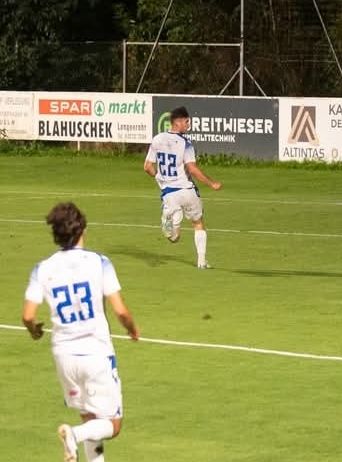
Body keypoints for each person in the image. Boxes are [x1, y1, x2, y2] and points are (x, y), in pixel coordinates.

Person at [21, 202, 140, 462]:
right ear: (82, 228)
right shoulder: (99, 263)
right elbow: (120, 311)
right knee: (112, 425)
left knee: (90, 420)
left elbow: (28, 316)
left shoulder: (43, 268)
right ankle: (73, 434)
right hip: (95, 354)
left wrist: (34, 330)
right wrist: (132, 329)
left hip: (64, 356)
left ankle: (78, 437)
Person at [143, 106, 222, 269]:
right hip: (187, 191)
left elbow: (147, 167)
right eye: (186, 121)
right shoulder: (186, 143)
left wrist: (159, 177)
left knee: (174, 238)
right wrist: (211, 183)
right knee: (198, 223)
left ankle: (168, 221)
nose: (189, 124)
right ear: (177, 122)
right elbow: (192, 169)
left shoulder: (157, 139)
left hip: (169, 194)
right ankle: (201, 261)